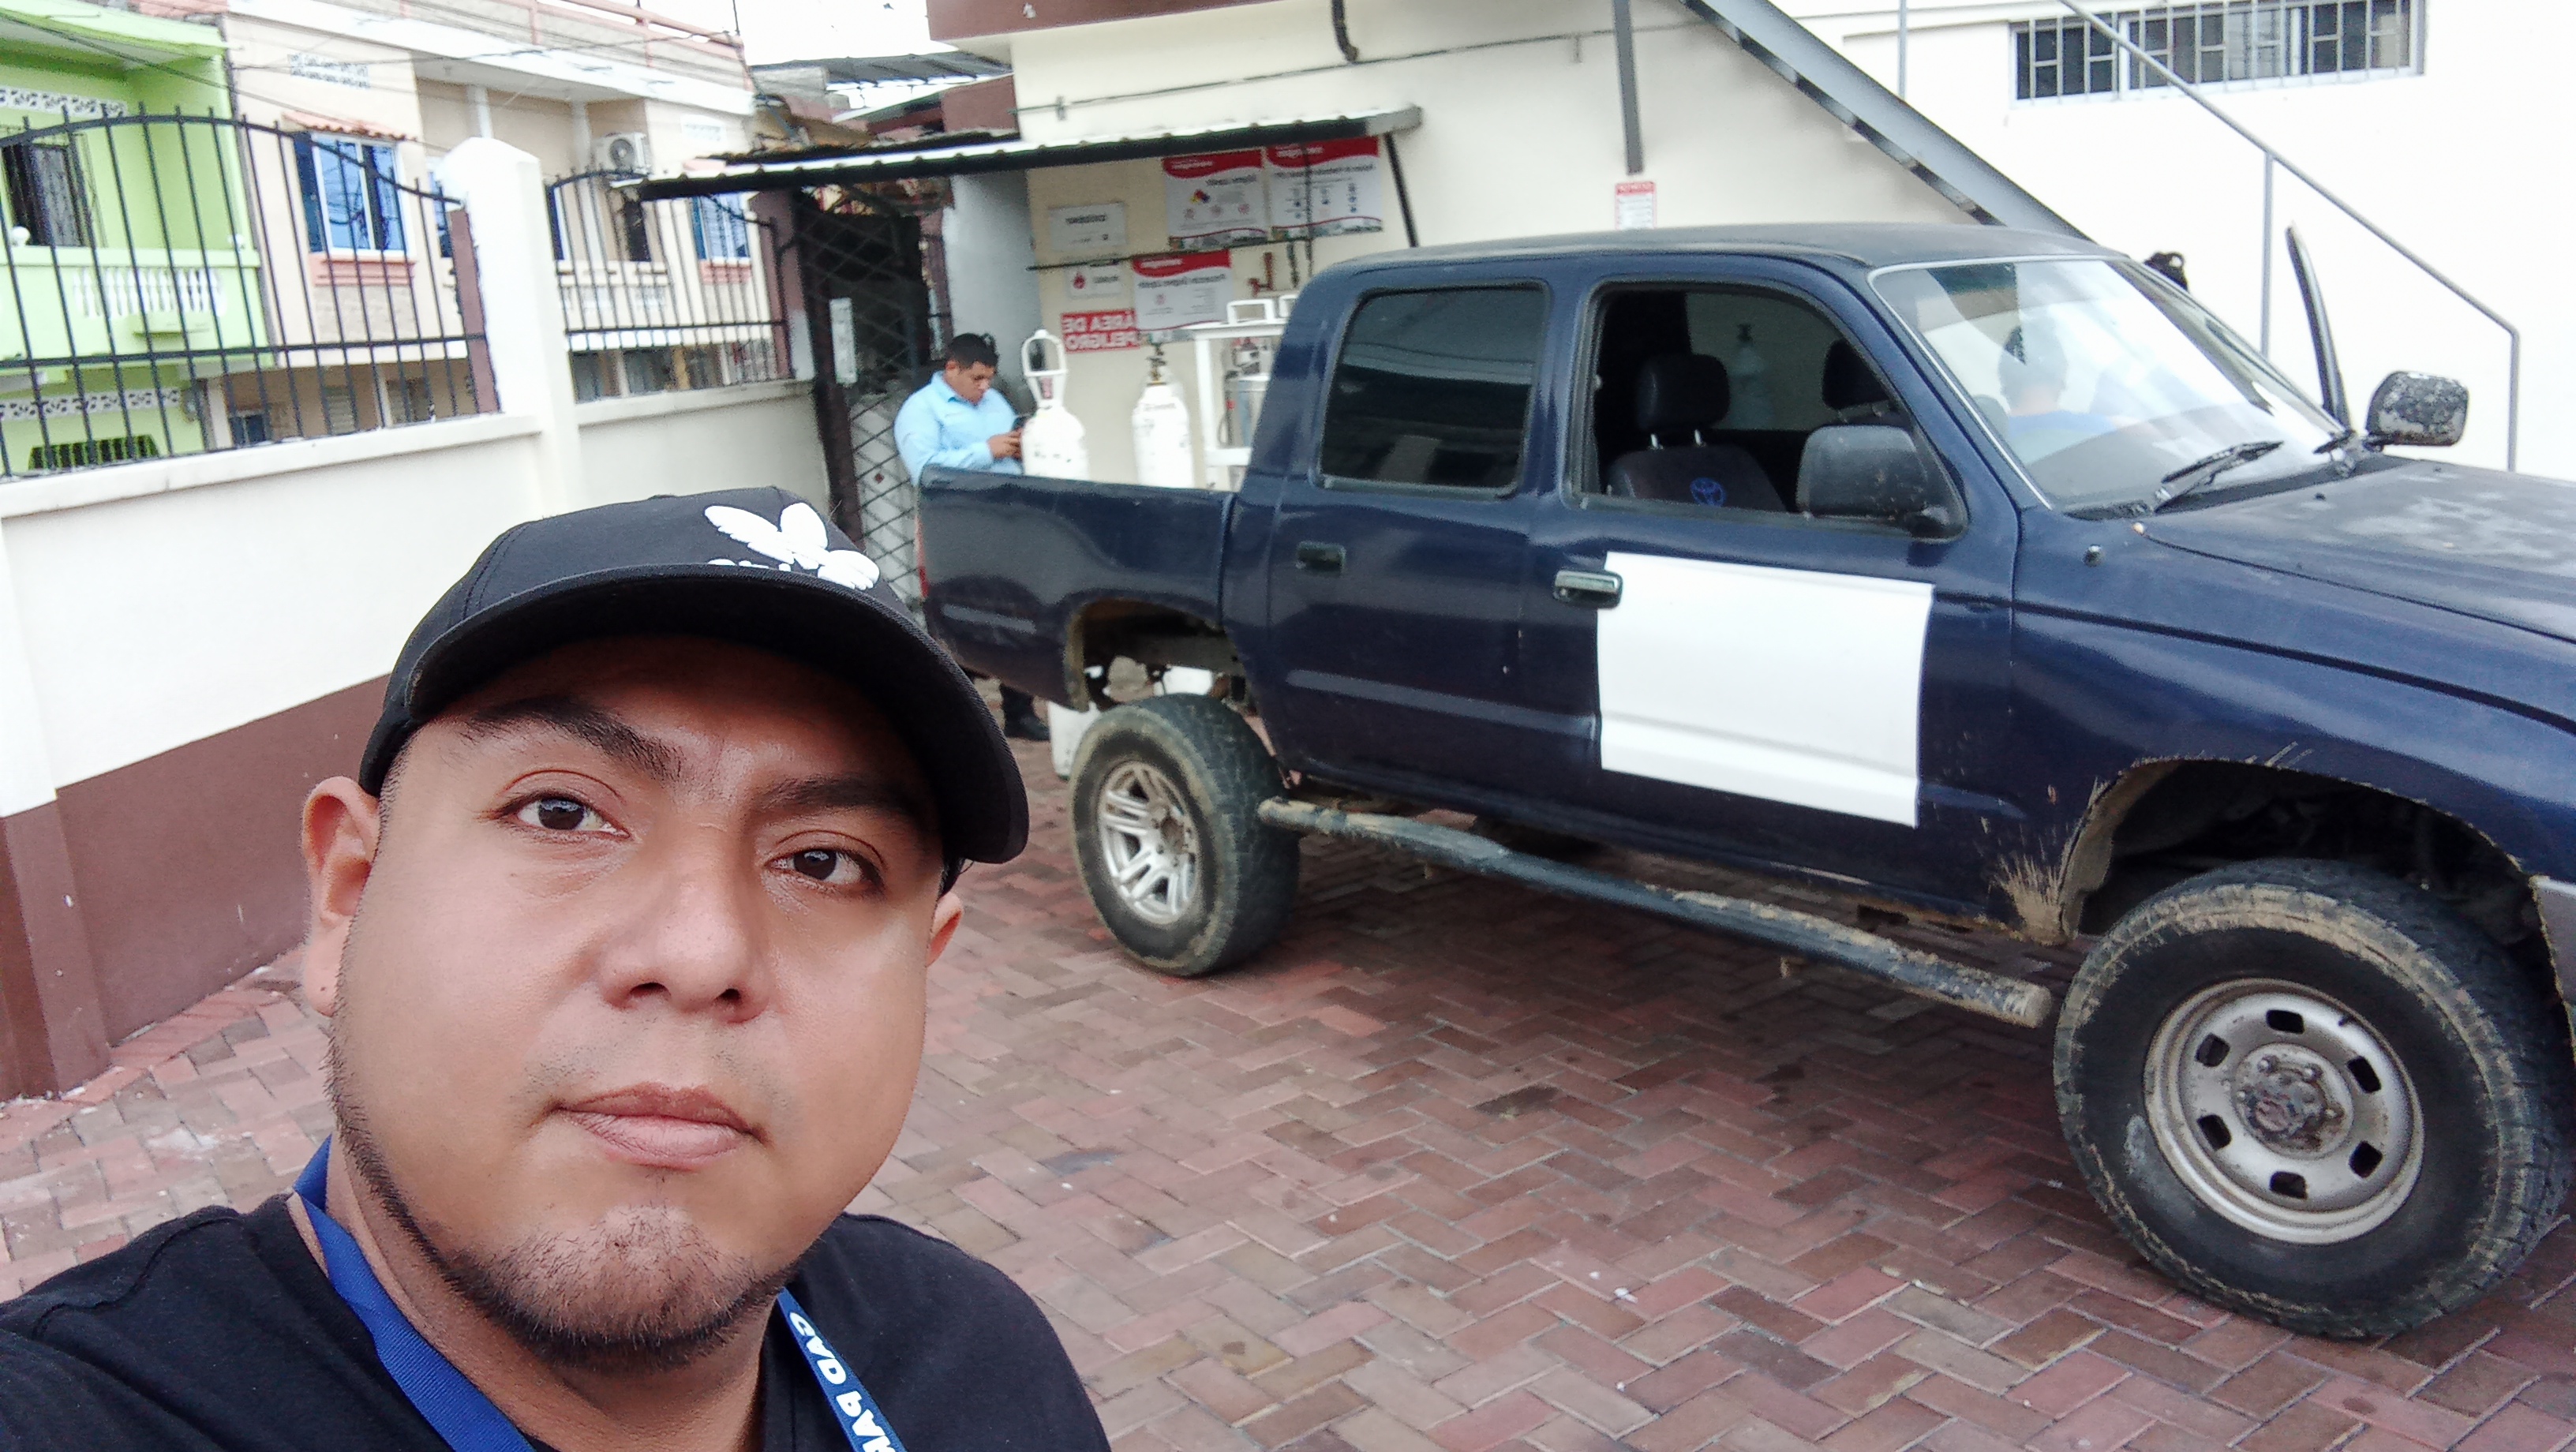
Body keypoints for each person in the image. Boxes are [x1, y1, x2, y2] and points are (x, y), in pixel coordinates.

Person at [0, 488, 1109, 1452]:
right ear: (348, 894)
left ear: (924, 967)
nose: (700, 954)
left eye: (824, 862)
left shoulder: (982, 1360)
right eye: (562, 812)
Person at [895, 335, 1047, 743]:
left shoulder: (996, 403)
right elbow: (925, 470)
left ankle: (1019, 711)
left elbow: (1008, 453)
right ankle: (954, 717)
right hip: (955, 527)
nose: (984, 387)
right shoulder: (921, 410)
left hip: (1007, 519)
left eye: (989, 379)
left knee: (1017, 612)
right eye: (977, 379)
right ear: (952, 369)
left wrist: (1020, 447)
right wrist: (987, 451)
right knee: (959, 616)